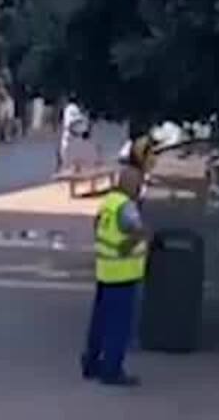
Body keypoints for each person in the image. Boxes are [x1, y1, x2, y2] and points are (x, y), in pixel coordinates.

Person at [81, 164, 149, 387]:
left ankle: (91, 363)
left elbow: (96, 225)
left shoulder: (109, 202)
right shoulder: (127, 207)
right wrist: (133, 243)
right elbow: (137, 231)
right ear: (131, 184)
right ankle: (111, 370)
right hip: (123, 273)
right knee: (118, 326)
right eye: (138, 184)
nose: (140, 188)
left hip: (105, 271)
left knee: (99, 321)